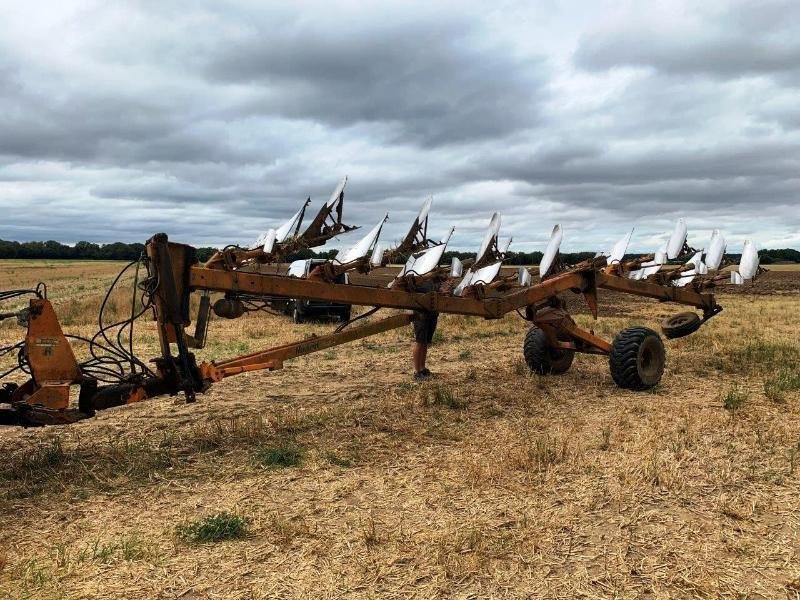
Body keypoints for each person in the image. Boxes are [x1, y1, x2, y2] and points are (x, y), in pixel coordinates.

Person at [412, 309, 439, 380]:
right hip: (421, 312)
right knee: (420, 341)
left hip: (432, 312)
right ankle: (417, 371)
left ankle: (422, 368)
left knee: (425, 341)